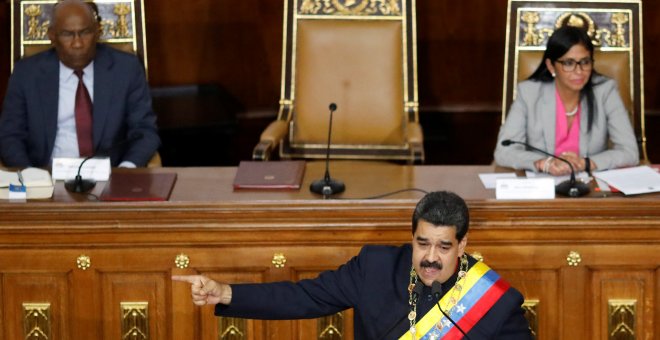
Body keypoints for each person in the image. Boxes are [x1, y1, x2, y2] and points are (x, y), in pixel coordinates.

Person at [173, 191, 532, 339]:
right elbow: (303, 297)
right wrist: (226, 292)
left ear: (463, 244)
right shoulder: (374, 268)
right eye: (422, 244)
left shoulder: (494, 302)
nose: (431, 258)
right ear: (411, 238)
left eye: (443, 246)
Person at [0, 0, 159, 168]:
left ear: (98, 32)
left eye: (85, 32)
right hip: (47, 176)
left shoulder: (126, 69)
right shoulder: (26, 73)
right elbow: (10, 136)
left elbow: (145, 131)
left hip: (112, 175)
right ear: (52, 36)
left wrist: (126, 169)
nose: (77, 43)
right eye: (68, 34)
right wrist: (31, 176)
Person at [494, 26, 638, 176]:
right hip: (541, 187)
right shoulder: (529, 93)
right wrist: (545, 163)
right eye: (569, 63)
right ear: (551, 66)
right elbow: (504, 151)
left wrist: (585, 163)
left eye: (585, 62)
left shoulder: (605, 91)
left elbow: (629, 151)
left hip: (589, 187)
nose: (579, 71)